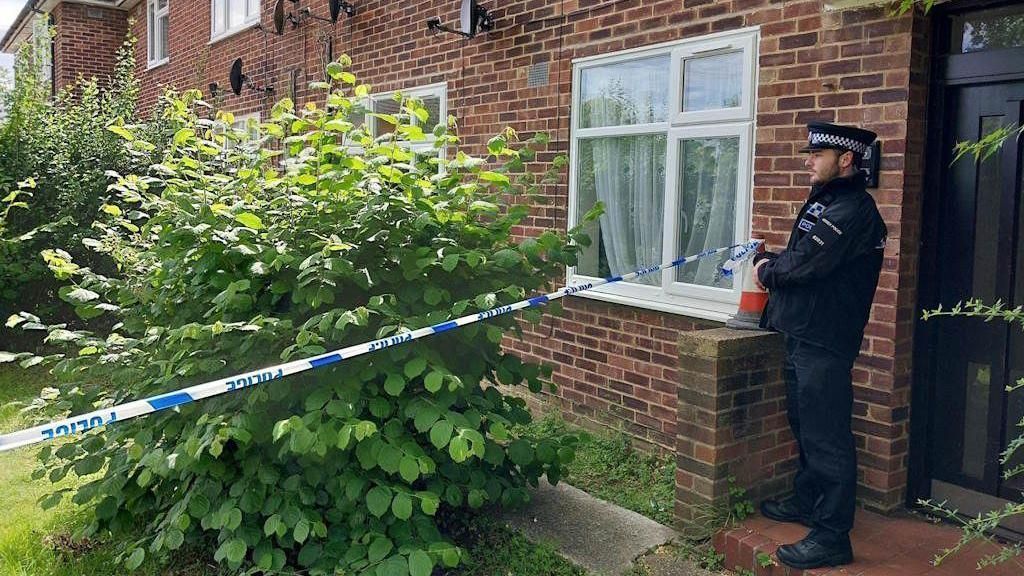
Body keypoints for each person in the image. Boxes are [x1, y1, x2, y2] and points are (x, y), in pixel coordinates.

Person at [752, 122, 887, 570]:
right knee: (804, 422)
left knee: (826, 435)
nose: (808, 160)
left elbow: (806, 264)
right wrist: (775, 265)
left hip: (825, 341)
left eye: (817, 154)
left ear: (845, 159)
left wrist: (766, 268)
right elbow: (802, 254)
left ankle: (832, 535)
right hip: (801, 334)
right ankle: (808, 499)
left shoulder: (854, 211)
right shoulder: (828, 201)